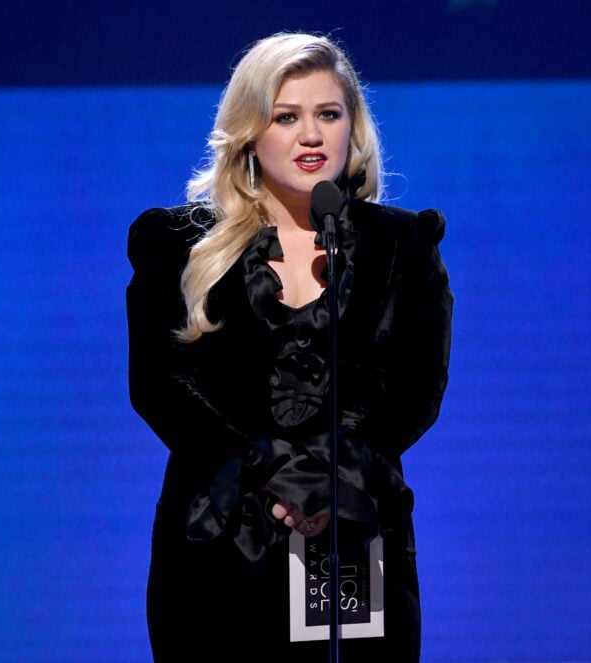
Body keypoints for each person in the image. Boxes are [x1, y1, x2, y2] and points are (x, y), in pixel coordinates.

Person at [126, 31, 453, 662]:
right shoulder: (176, 246)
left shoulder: (403, 246)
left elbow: (418, 387)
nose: (311, 135)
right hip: (219, 539)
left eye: (328, 114)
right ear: (250, 130)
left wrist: (330, 479)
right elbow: (160, 384)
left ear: (352, 128)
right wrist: (268, 471)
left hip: (352, 531)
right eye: (287, 116)